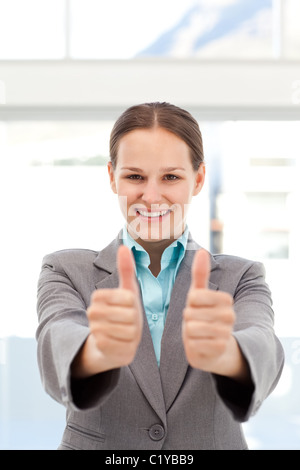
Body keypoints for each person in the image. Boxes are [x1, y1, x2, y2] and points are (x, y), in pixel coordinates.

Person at [36, 102, 284, 450]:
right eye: (134, 176)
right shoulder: (65, 270)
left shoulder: (242, 276)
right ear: (111, 176)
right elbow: (56, 341)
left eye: (171, 177)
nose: (151, 197)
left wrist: (228, 354)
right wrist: (95, 352)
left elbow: (262, 342)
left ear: (197, 179)